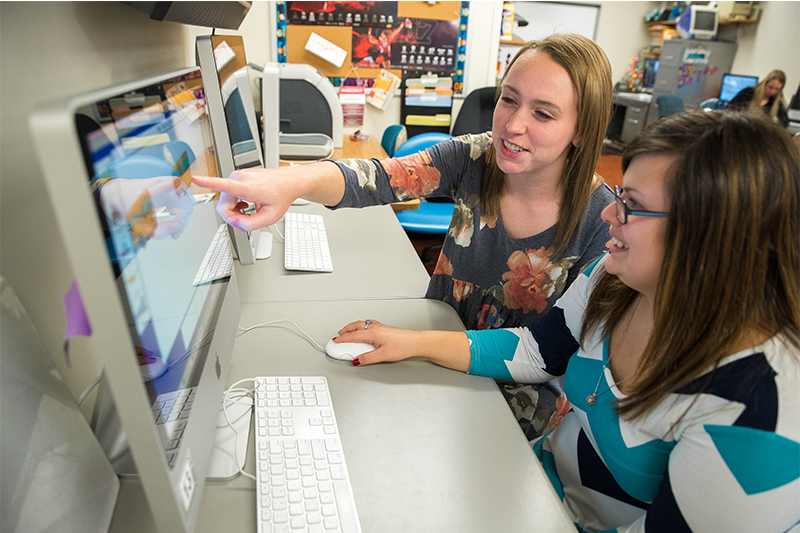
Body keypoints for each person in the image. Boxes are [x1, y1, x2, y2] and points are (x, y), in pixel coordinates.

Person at [332, 110, 800, 532]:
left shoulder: (761, 409)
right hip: (539, 488)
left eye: (632, 205)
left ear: (711, 232)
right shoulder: (614, 280)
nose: (609, 214)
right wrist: (414, 342)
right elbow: (537, 352)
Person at [195, 33, 615, 438]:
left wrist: (413, 342)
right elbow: (378, 177)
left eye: (543, 113)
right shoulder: (474, 157)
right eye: (509, 99)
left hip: (514, 398)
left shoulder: (603, 221)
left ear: (581, 130)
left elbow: (546, 355)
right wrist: (292, 182)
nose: (513, 124)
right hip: (433, 357)